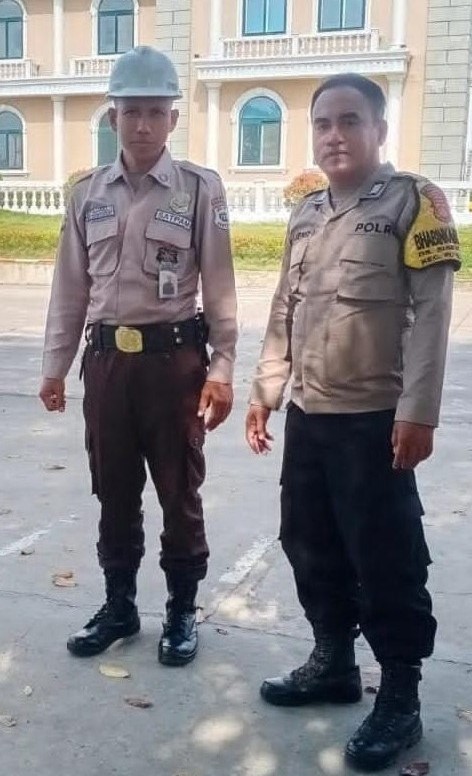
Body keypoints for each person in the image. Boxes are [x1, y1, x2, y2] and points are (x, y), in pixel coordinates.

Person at [245, 73, 460, 772]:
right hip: (309, 415)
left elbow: (432, 313)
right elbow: (284, 307)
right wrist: (265, 390)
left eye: (349, 120)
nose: (334, 135)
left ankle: (399, 696)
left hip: (374, 421)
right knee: (308, 543)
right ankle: (333, 661)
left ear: (378, 130)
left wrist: (418, 412)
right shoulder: (305, 213)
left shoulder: (413, 202)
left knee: (386, 557)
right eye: (322, 123)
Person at [39, 46, 237, 667]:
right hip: (106, 367)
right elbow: (70, 289)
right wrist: (54, 366)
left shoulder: (199, 189)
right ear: (113, 117)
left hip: (174, 366)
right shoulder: (86, 194)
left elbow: (221, 288)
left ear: (173, 118)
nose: (144, 124)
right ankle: (119, 605)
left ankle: (181, 611)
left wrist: (223, 368)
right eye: (131, 112)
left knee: (179, 491)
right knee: (114, 490)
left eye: (156, 111)